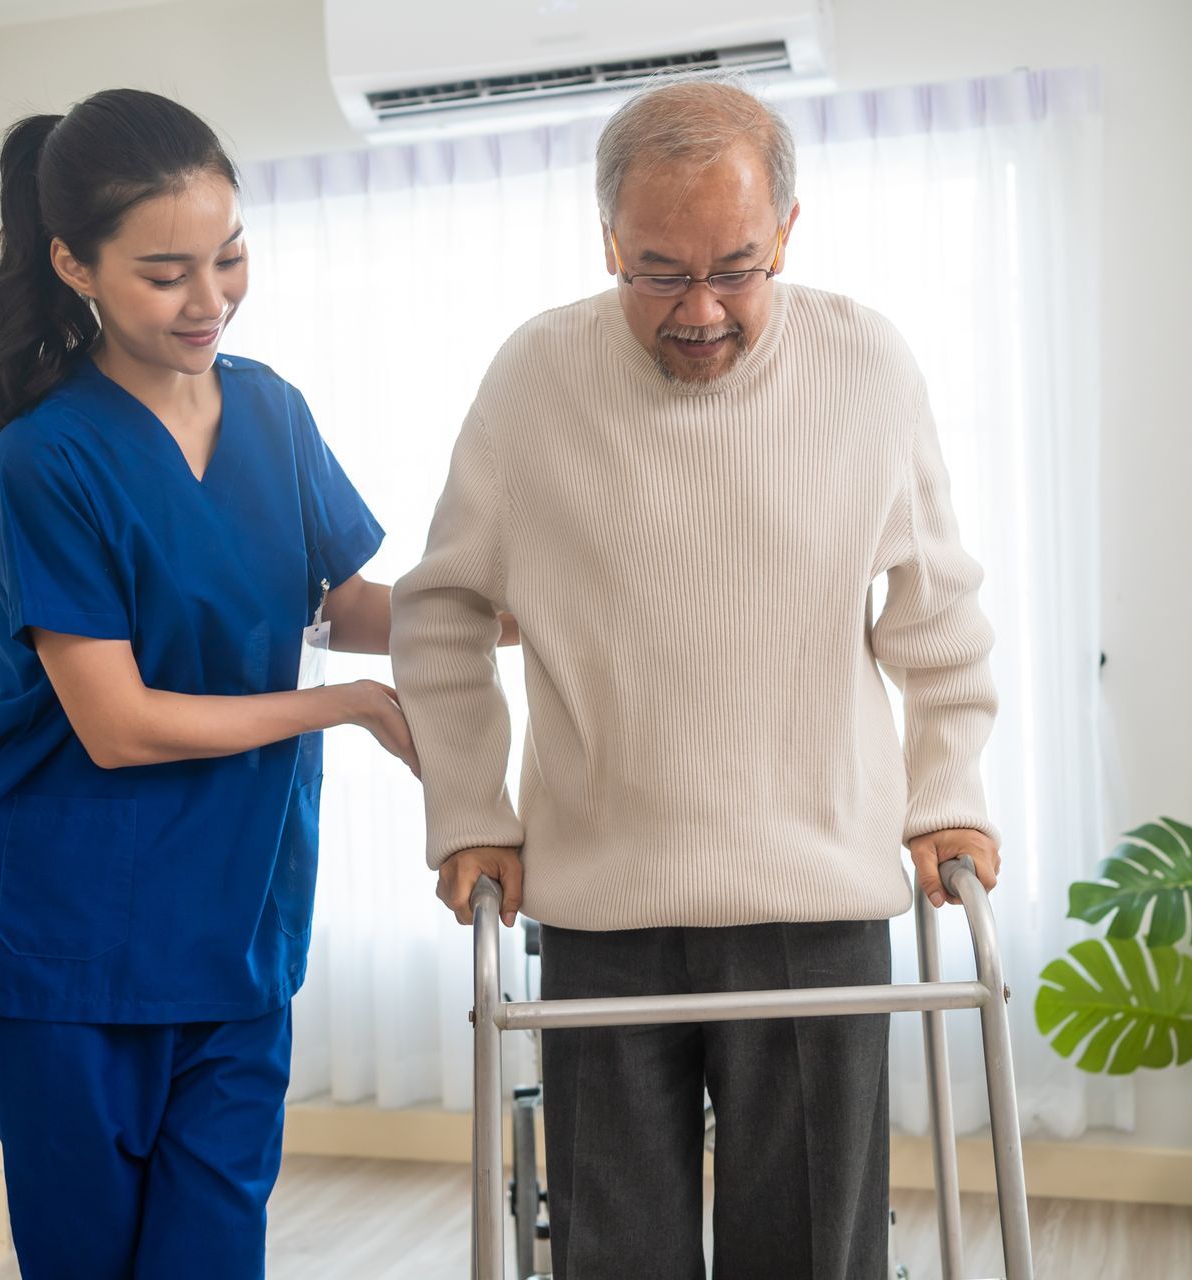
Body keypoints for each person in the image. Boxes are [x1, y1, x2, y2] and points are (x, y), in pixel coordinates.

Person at [391, 79, 1002, 1278]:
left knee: (813, 1251)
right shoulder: (536, 375)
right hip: (601, 897)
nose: (703, 309)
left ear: (787, 232)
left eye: (737, 266)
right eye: (660, 272)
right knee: (617, 1253)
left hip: (815, 895)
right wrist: (471, 809)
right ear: (608, 239)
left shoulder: (867, 364)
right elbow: (443, 606)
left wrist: (949, 790)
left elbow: (937, 603)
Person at [0, 88, 415, 1280]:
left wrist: (527, 612)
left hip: (237, 922)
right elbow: (118, 723)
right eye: (167, 272)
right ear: (74, 264)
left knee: (213, 1255)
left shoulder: (272, 411)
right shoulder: (45, 458)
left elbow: (346, 604)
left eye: (231, 256)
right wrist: (343, 705)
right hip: (69, 938)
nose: (210, 299)